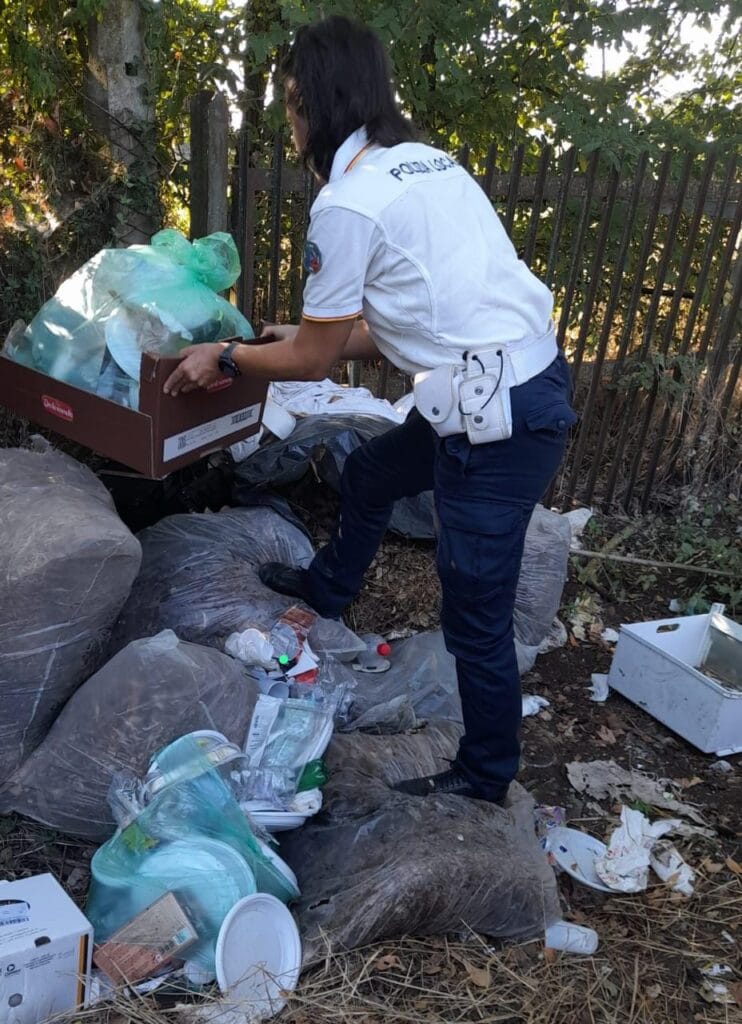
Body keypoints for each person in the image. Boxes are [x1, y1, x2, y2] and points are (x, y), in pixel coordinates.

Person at [164, 15, 576, 804]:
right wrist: (299, 336)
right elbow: (405, 321)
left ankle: (485, 774)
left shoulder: (348, 202)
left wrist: (226, 356)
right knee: (373, 473)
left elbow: (311, 362)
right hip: (494, 385)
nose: (290, 123)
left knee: (475, 611)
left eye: (292, 104)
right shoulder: (426, 164)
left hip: (500, 423)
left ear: (316, 104)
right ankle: (328, 589)